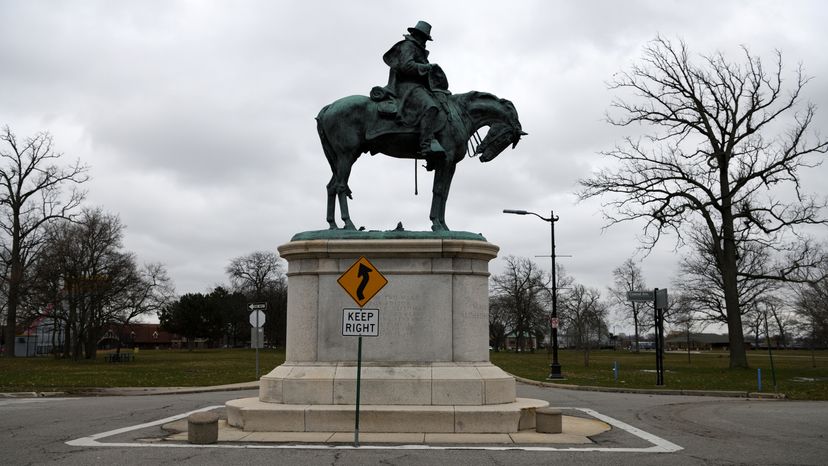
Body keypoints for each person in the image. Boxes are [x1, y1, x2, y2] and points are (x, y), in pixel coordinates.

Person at [382, 21, 446, 160]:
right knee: (431, 107)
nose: (425, 42)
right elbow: (406, 66)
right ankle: (426, 144)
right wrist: (427, 68)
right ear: (418, 35)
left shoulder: (417, 48)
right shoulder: (408, 46)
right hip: (406, 86)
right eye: (424, 38)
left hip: (417, 86)